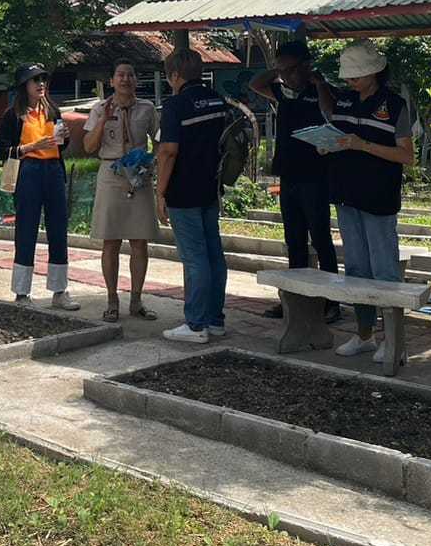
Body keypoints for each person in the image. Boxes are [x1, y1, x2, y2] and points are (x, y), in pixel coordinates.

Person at [328, 40, 416, 365]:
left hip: (378, 198)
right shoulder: (344, 100)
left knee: (384, 270)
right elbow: (339, 137)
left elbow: (407, 156)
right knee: (356, 269)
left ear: (375, 72)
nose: (351, 81)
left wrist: (363, 145)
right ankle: (364, 334)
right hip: (346, 194)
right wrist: (327, 144)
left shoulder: (394, 105)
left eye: (356, 76)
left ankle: (395, 341)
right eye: (348, 76)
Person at [250, 40, 339, 321]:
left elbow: (330, 112)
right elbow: (256, 84)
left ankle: (331, 302)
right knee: (294, 241)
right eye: (282, 70)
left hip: (315, 175)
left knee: (321, 239)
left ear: (306, 66)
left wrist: (319, 84)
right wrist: (278, 70)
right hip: (289, 175)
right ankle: (294, 299)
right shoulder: (282, 92)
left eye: (291, 70)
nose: (286, 76)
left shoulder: (320, 90)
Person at [156, 48, 230, 344]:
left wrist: (160, 192)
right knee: (214, 255)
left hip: (183, 189)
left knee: (194, 258)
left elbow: (168, 151)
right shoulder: (218, 100)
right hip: (210, 187)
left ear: (174, 75)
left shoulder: (175, 105)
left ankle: (196, 324)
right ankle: (215, 319)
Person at [0, 64, 80, 310]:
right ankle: (22, 293)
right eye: (35, 80)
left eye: (43, 79)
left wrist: (64, 139)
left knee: (58, 229)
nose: (41, 84)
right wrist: (32, 147)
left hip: (53, 170)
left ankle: (59, 291)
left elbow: (60, 145)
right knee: (26, 229)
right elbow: (2, 151)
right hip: (28, 171)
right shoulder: (13, 115)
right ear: (25, 86)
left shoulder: (53, 110)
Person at [83, 61, 160, 323]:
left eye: (130, 75)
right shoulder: (99, 108)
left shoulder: (147, 108)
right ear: (112, 81)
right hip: (111, 173)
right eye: (120, 75)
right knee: (111, 240)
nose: (125, 79)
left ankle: (136, 300)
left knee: (140, 241)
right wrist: (104, 120)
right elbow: (88, 146)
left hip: (138, 175)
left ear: (136, 80)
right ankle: (112, 300)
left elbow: (159, 139)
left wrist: (151, 161)